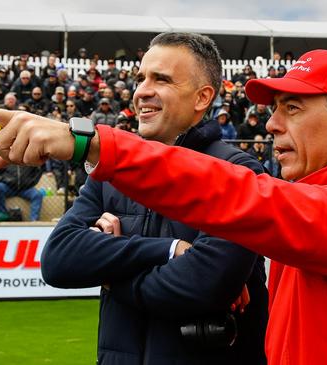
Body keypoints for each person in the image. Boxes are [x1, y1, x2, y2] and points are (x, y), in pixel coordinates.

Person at [0, 48, 327, 364]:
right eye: (274, 109)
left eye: (292, 108)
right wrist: (171, 256)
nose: (271, 125)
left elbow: (240, 199)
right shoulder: (322, 206)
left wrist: (92, 146)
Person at [45, 32, 267, 365]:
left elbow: (205, 285)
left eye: (161, 79)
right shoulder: (111, 173)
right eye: (140, 78)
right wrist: (168, 250)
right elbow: (58, 259)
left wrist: (110, 276)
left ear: (202, 98)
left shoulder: (238, 170)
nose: (142, 91)